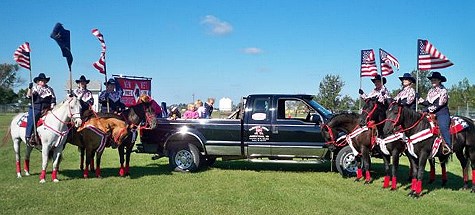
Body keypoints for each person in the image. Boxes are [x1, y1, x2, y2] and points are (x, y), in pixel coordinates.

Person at [418, 72, 451, 152]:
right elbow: (428, 103)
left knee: (443, 127)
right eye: (432, 80)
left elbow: (439, 104)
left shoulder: (443, 91)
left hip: (442, 113)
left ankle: (448, 145)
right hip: (431, 113)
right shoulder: (430, 91)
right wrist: (419, 99)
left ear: (439, 80)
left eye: (435, 80)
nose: (433, 81)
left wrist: (425, 109)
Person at [25, 73, 56, 145]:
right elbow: (29, 96)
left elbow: (53, 99)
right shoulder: (35, 88)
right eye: (41, 81)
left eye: (44, 80)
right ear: (38, 82)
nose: (43, 82)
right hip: (36, 108)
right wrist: (29, 88)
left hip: (48, 109)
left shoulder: (50, 89)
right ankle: (28, 136)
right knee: (32, 119)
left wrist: (52, 106)